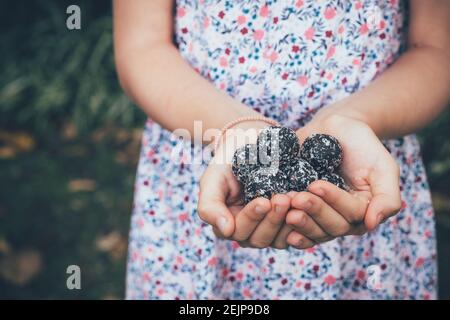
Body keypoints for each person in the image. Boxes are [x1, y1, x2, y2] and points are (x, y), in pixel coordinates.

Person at [114, 0, 450, 299]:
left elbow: (436, 50)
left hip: (360, 173)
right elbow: (142, 45)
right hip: (206, 161)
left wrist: (353, 118)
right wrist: (237, 128)